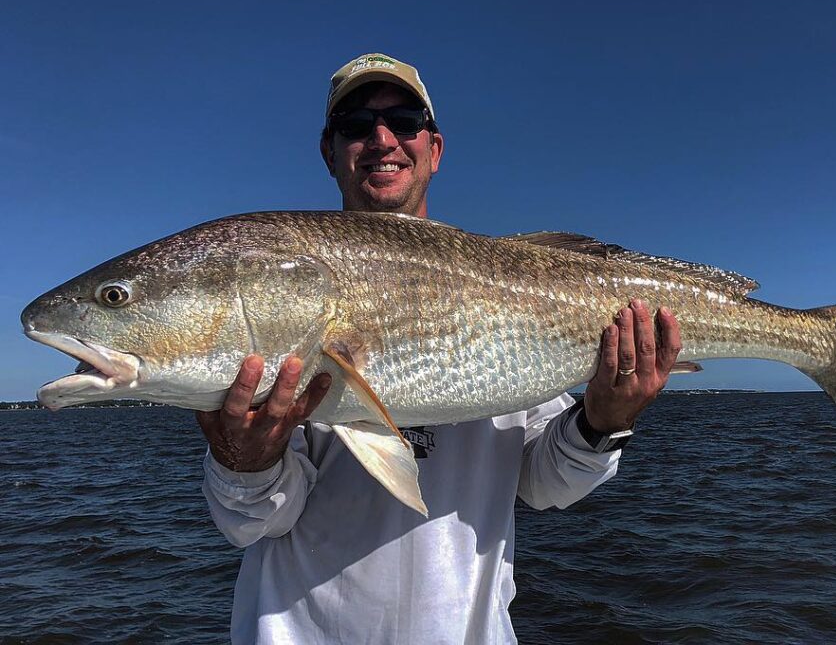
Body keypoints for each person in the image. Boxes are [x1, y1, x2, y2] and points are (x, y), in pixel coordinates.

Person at [197, 53, 683, 644]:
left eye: (404, 120)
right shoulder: (285, 298)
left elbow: (546, 484)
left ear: (434, 147)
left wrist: (605, 420)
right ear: (329, 152)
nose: (382, 140)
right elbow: (255, 524)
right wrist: (244, 461)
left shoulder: (504, 286)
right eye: (355, 126)